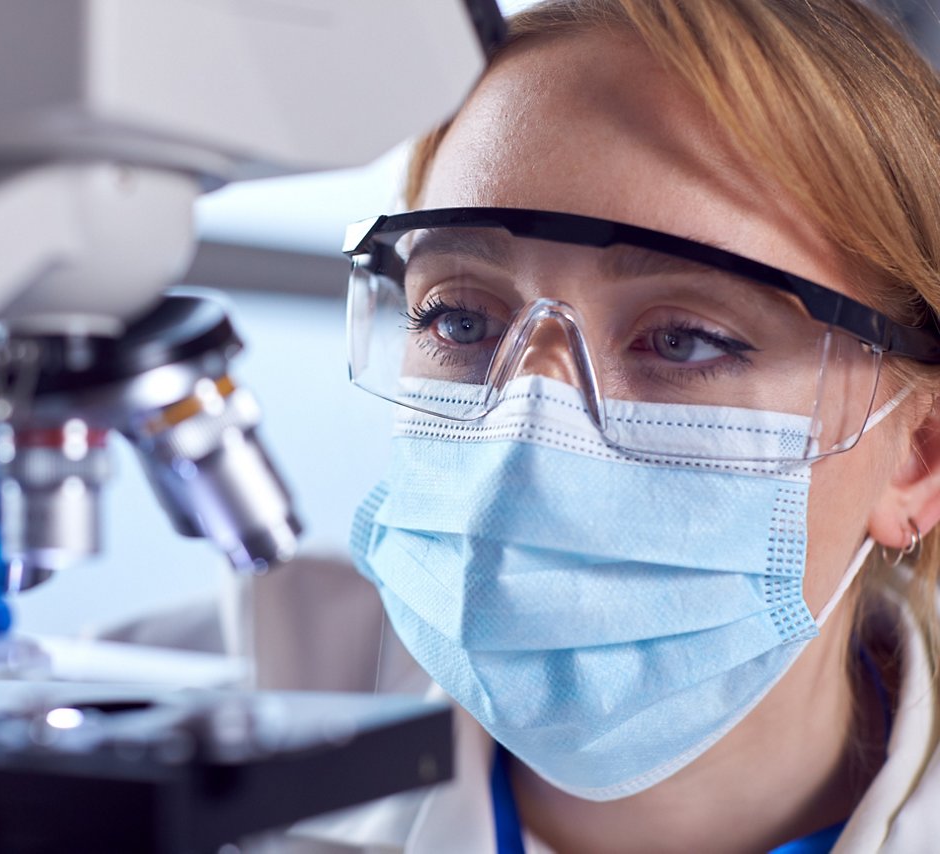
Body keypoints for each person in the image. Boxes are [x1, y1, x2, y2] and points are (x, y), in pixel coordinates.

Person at [201, 1, 940, 852]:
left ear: (916, 457)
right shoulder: (228, 689)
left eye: (683, 339)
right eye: (459, 321)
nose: (529, 432)